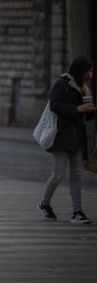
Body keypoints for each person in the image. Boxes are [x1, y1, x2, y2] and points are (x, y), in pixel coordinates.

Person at [37, 56, 96, 224]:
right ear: (81, 71)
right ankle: (44, 204)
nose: (91, 74)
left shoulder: (85, 88)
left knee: (77, 174)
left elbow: (85, 116)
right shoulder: (63, 83)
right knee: (59, 174)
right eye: (89, 71)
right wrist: (77, 109)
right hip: (61, 136)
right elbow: (54, 104)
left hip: (77, 137)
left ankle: (77, 212)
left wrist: (89, 110)